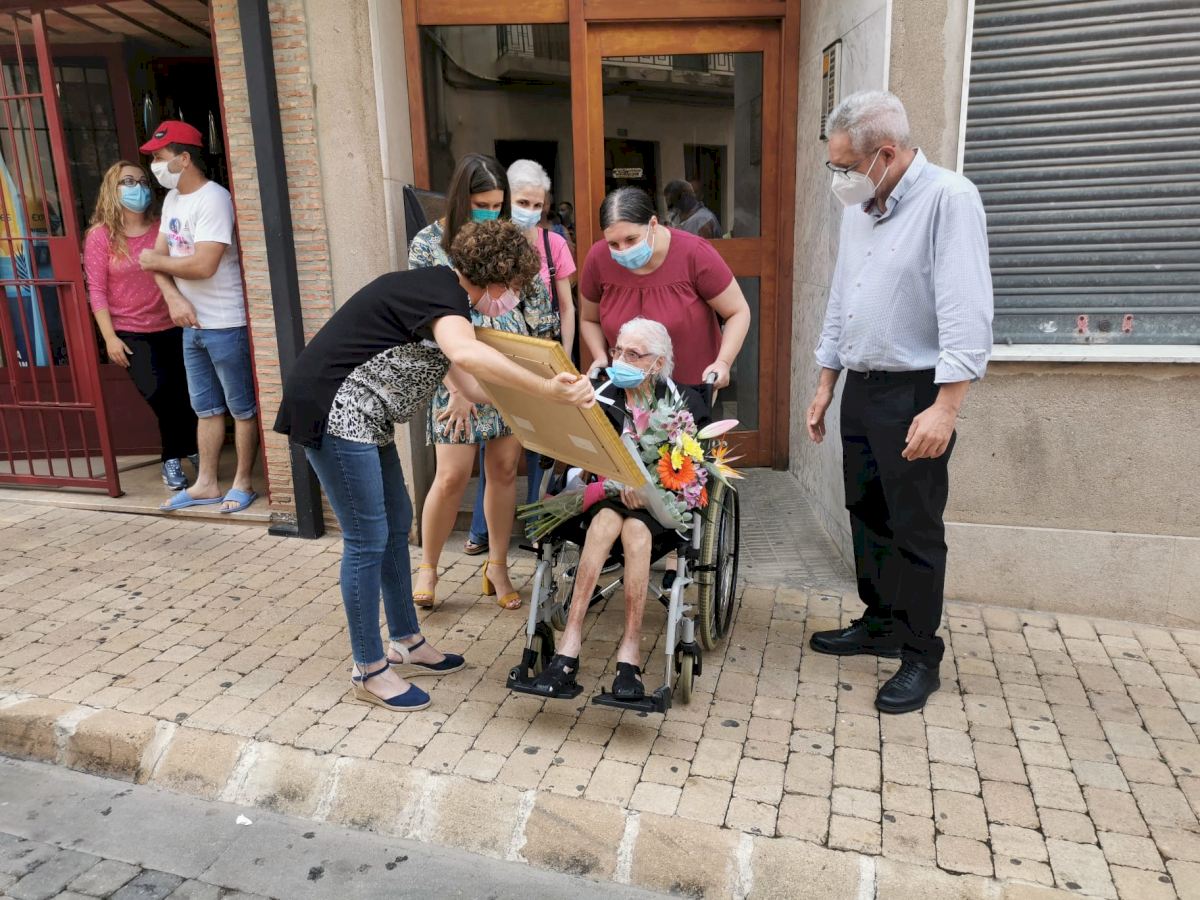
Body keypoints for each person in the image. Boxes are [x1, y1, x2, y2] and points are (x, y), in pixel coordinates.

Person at [275, 220, 595, 711]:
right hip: (334, 411)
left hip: (366, 417)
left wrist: (543, 409)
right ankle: (369, 669)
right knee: (366, 539)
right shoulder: (442, 295)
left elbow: (472, 387)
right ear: (496, 279)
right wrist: (546, 388)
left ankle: (406, 640)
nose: (512, 299)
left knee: (396, 522)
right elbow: (468, 354)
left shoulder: (445, 302)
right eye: (514, 288)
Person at [805, 90, 994, 714]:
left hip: (916, 391)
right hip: (862, 387)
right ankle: (881, 622)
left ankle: (920, 654)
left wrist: (946, 407)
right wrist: (826, 384)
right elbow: (842, 300)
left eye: (845, 167)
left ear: (885, 155)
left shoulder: (949, 199)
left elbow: (967, 309)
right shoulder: (859, 211)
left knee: (914, 525)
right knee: (867, 511)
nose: (839, 178)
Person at [531, 318, 709, 701]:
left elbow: (694, 473)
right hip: (605, 497)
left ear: (656, 363)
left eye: (632, 354)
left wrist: (651, 492)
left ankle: (630, 651)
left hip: (656, 507)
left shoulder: (683, 405)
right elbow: (573, 450)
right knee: (606, 520)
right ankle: (569, 644)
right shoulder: (598, 395)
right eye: (617, 351)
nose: (620, 360)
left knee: (636, 530)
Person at [408, 154, 554, 610]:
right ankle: (428, 567)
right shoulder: (428, 243)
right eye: (481, 204)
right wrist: (457, 389)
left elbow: (538, 309)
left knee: (505, 470)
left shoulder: (511, 238)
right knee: (451, 475)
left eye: (496, 205)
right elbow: (425, 322)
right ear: (460, 198)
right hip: (456, 369)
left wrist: (538, 371)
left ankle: (497, 566)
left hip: (508, 364)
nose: (491, 212)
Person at [137, 121, 257, 514]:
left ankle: (242, 482)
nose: (155, 166)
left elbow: (204, 265)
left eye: (160, 157)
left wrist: (159, 263)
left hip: (226, 322)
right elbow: (154, 262)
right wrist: (173, 298)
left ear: (185, 159)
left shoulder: (214, 199)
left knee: (241, 408)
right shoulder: (173, 201)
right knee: (204, 407)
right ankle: (206, 483)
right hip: (191, 323)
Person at [462, 159, 578, 554]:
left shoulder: (553, 244)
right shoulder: (490, 241)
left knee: (539, 444)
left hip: (540, 353)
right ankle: (481, 530)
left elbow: (567, 306)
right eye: (523, 202)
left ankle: (534, 525)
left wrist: (564, 356)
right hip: (497, 354)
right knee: (494, 447)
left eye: (537, 204)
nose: (530, 210)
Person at [84, 161, 199, 491]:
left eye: (143, 181)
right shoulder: (100, 236)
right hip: (131, 331)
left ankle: (177, 456)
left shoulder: (161, 228)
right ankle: (185, 451)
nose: (138, 187)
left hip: (173, 324)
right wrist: (109, 337)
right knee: (159, 394)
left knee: (184, 394)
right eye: (128, 182)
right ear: (113, 189)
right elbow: (96, 290)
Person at [579, 187, 750, 393]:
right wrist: (600, 356)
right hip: (625, 390)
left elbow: (737, 311)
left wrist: (723, 362)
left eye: (631, 239)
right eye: (613, 244)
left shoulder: (694, 253)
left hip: (691, 390)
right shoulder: (598, 258)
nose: (623, 250)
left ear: (653, 224)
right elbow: (589, 319)